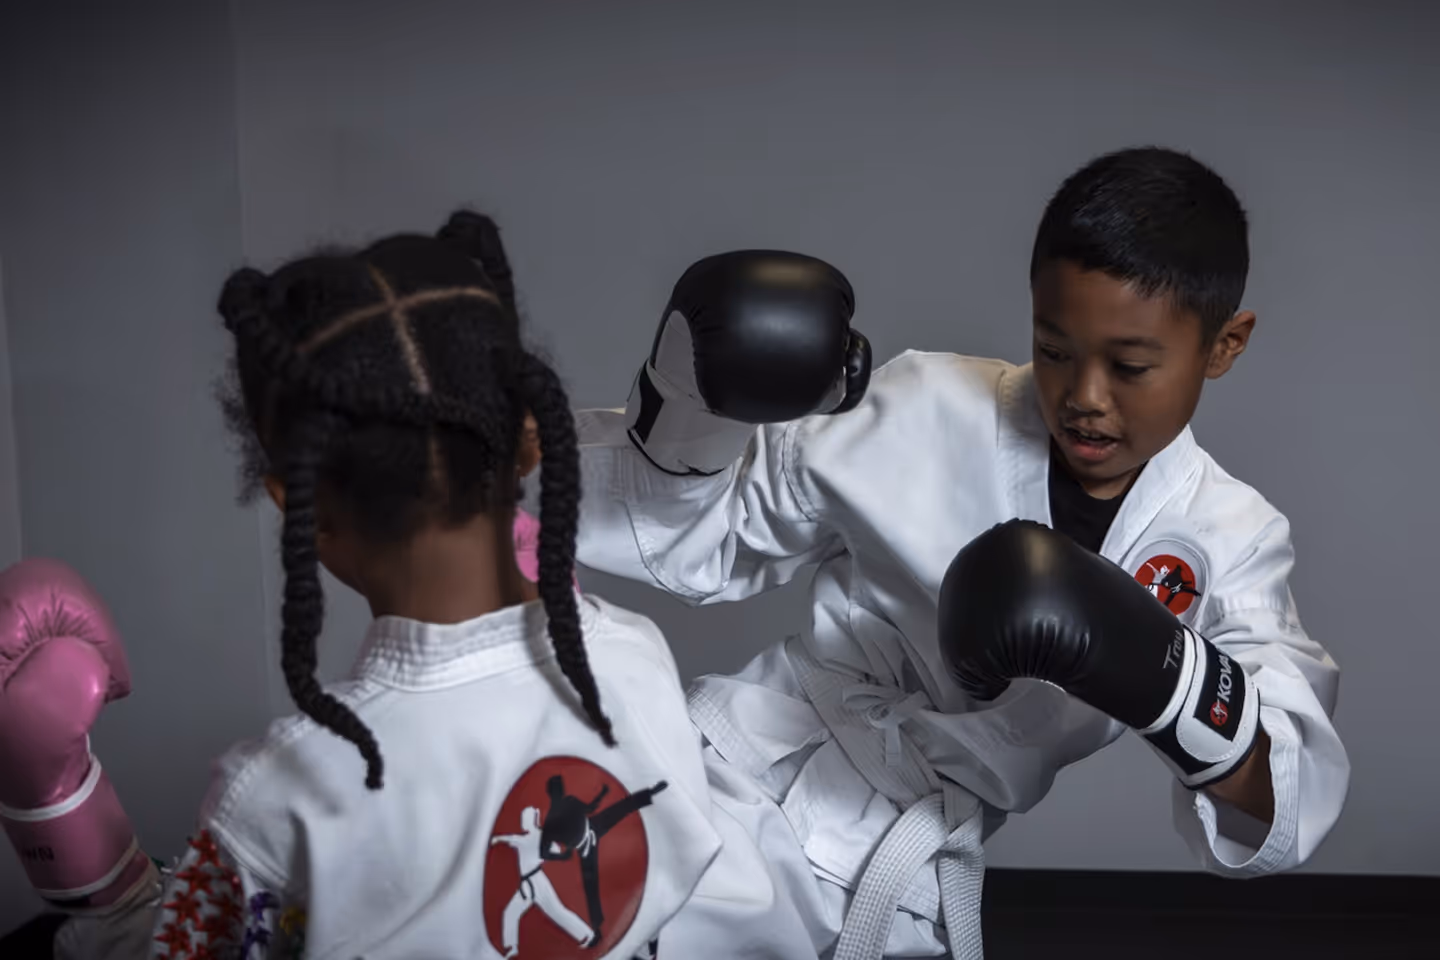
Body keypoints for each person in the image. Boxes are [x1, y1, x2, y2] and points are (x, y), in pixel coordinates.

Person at [566, 146, 1349, 957]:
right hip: (727, 777)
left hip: (902, 881)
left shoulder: (1230, 538)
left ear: (1225, 345)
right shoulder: (929, 405)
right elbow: (705, 536)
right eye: (1054, 349)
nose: (1084, 396)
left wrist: (1158, 671)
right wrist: (683, 403)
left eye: (1129, 365)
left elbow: (1282, 799)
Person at [0, 212, 819, 958]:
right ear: (532, 440)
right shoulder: (634, 659)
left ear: (299, 505)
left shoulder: (285, 797)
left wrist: (62, 820)